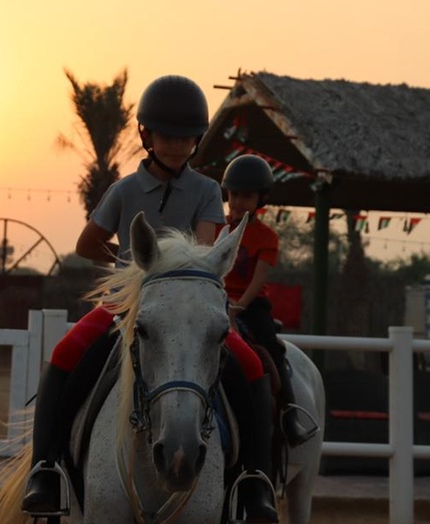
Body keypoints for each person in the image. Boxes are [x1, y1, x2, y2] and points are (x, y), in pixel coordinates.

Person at [22, 75, 279, 523]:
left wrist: (171, 270)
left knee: (253, 367)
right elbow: (87, 243)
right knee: (63, 356)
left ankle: (254, 479)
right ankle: (46, 468)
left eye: (185, 137)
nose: (177, 145)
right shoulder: (124, 190)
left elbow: (200, 251)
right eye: (167, 135)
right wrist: (127, 269)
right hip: (128, 304)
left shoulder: (205, 191)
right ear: (147, 135)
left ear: (197, 140)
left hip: (188, 304)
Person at [219, 154, 319, 447]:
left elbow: (259, 279)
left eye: (246, 196)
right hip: (215, 298)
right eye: (234, 194)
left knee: (272, 348)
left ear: (260, 199)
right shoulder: (214, 227)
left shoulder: (266, 237)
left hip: (250, 305)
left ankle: (290, 415)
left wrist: (237, 308)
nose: (237, 202)